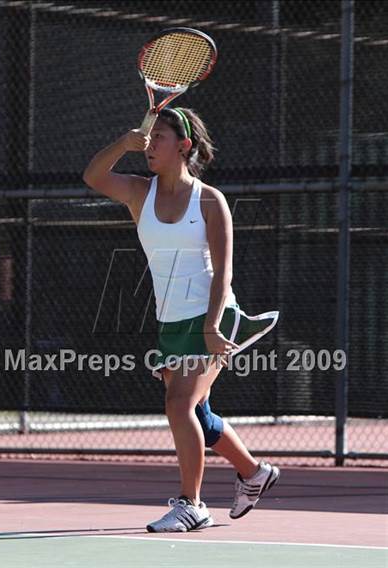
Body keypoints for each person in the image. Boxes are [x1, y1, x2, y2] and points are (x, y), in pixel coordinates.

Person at [83, 107, 280, 533]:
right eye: (148, 139)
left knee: (179, 405)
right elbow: (94, 177)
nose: (150, 146)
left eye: (159, 139)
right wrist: (124, 142)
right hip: (170, 319)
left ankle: (192, 505)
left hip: (213, 315)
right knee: (199, 414)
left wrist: (211, 326)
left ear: (184, 146)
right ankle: (254, 473)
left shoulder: (210, 200)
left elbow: (224, 271)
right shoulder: (140, 192)